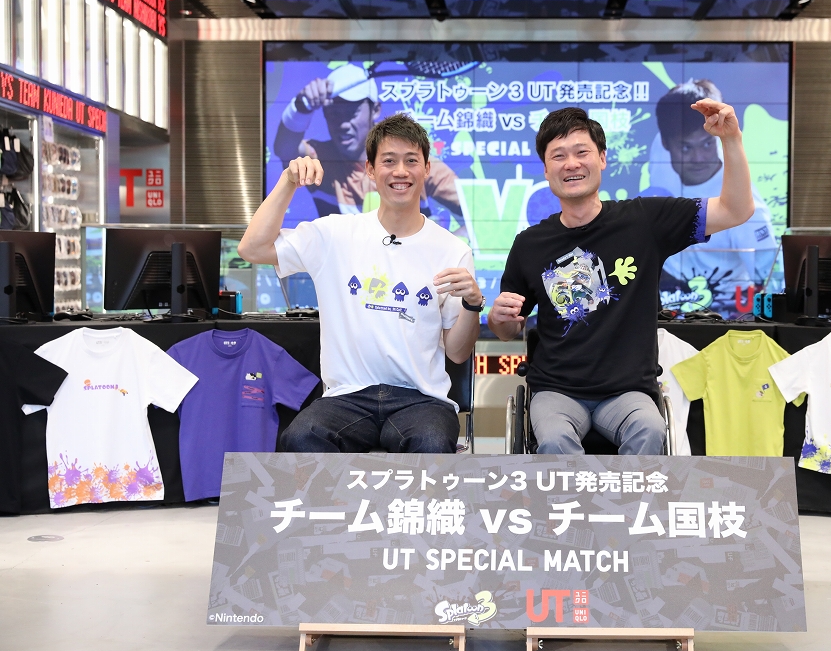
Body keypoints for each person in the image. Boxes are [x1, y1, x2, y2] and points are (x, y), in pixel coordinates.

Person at [488, 105, 754, 455]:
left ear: (602, 158)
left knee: (650, 429)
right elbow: (507, 330)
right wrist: (499, 318)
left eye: (581, 152)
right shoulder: (530, 243)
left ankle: (626, 496)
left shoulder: (645, 221)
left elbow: (736, 210)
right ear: (546, 168)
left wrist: (731, 139)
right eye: (559, 156)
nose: (571, 164)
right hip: (556, 390)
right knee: (553, 440)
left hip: (627, 392)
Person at [240, 113, 484, 453]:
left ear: (427, 168)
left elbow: (457, 353)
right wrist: (287, 182)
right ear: (370, 169)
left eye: (411, 161)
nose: (400, 171)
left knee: (430, 442)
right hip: (346, 398)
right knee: (301, 436)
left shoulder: (452, 250)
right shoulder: (335, 234)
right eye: (389, 161)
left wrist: (473, 303)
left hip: (421, 401)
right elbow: (252, 248)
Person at [273, 63, 467, 235]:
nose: (343, 124)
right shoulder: (320, 160)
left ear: (375, 110)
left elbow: (480, 211)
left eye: (351, 112)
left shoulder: (415, 165)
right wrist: (300, 108)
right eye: (334, 113)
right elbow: (284, 148)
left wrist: (443, 249)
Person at [652, 80, 778, 315]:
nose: (699, 158)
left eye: (707, 144)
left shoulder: (743, 203)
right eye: (686, 148)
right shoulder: (658, 173)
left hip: (726, 318)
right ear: (665, 144)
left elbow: (771, 282)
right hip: (669, 312)